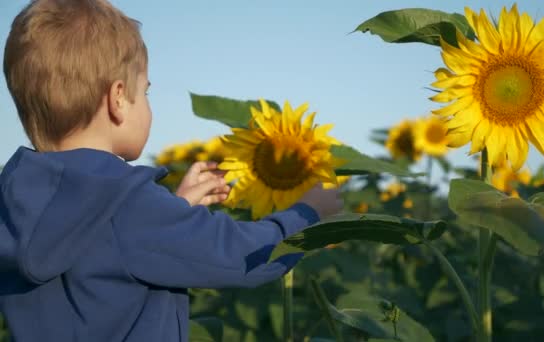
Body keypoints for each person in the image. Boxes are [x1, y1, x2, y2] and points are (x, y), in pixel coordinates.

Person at [0, 1, 343, 341]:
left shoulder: (14, 205)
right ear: (118, 98)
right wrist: (307, 213)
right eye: (146, 91)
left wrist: (174, 212)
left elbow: (105, 249)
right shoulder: (128, 207)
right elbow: (245, 257)